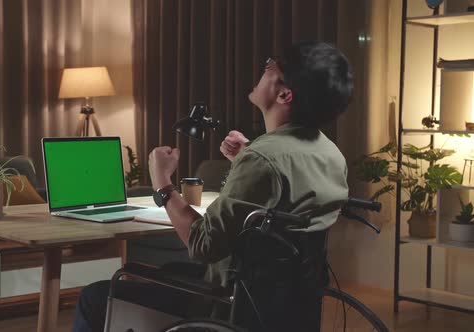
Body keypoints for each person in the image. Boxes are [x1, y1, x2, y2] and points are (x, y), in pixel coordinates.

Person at [72, 41, 353, 332]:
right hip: (287, 310)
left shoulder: (262, 158)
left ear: (285, 94)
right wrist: (246, 157)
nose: (264, 67)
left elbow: (203, 245)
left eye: (272, 66)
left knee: (94, 297)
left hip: (230, 305)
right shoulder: (331, 154)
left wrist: (163, 184)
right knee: (170, 271)